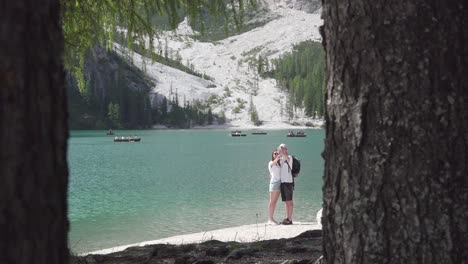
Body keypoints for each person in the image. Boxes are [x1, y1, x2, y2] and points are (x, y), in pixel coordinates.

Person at [278, 143, 294, 225]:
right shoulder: (280, 159)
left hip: (288, 182)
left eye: (284, 148)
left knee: (290, 201)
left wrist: (282, 152)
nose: (282, 150)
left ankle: (290, 219)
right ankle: (287, 217)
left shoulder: (289, 157)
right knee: (286, 202)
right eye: (281, 149)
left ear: (286, 149)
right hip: (282, 182)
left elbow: (286, 158)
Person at [268, 149, 282, 225]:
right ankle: (270, 219)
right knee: (271, 202)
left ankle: (272, 218)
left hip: (279, 183)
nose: (276, 154)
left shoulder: (279, 164)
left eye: (277, 153)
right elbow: (272, 164)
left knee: (275, 202)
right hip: (274, 183)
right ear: (273, 155)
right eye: (275, 154)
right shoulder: (271, 162)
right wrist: (278, 157)